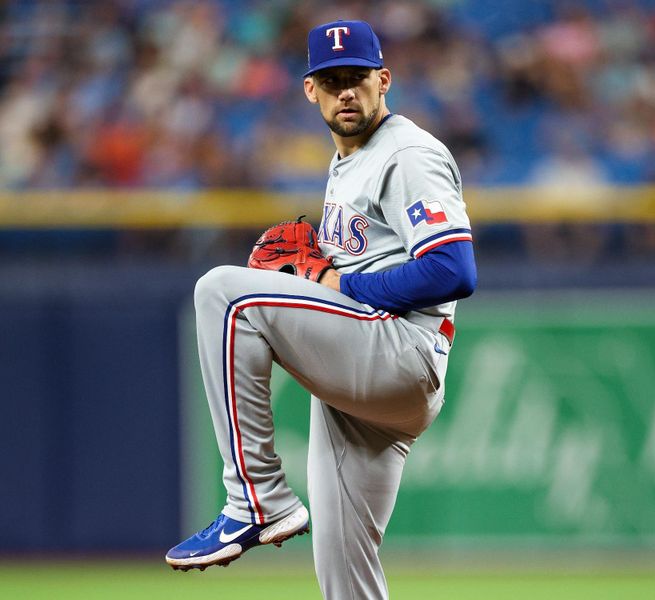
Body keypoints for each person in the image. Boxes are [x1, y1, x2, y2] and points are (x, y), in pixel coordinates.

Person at [165, 19, 477, 599]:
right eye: (331, 82)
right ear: (311, 91)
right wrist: (328, 283)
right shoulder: (346, 161)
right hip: (366, 385)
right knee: (345, 580)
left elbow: (453, 271)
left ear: (384, 79)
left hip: (401, 350)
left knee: (223, 293)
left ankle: (255, 499)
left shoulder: (406, 152)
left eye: (357, 78)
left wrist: (340, 283)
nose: (345, 92)